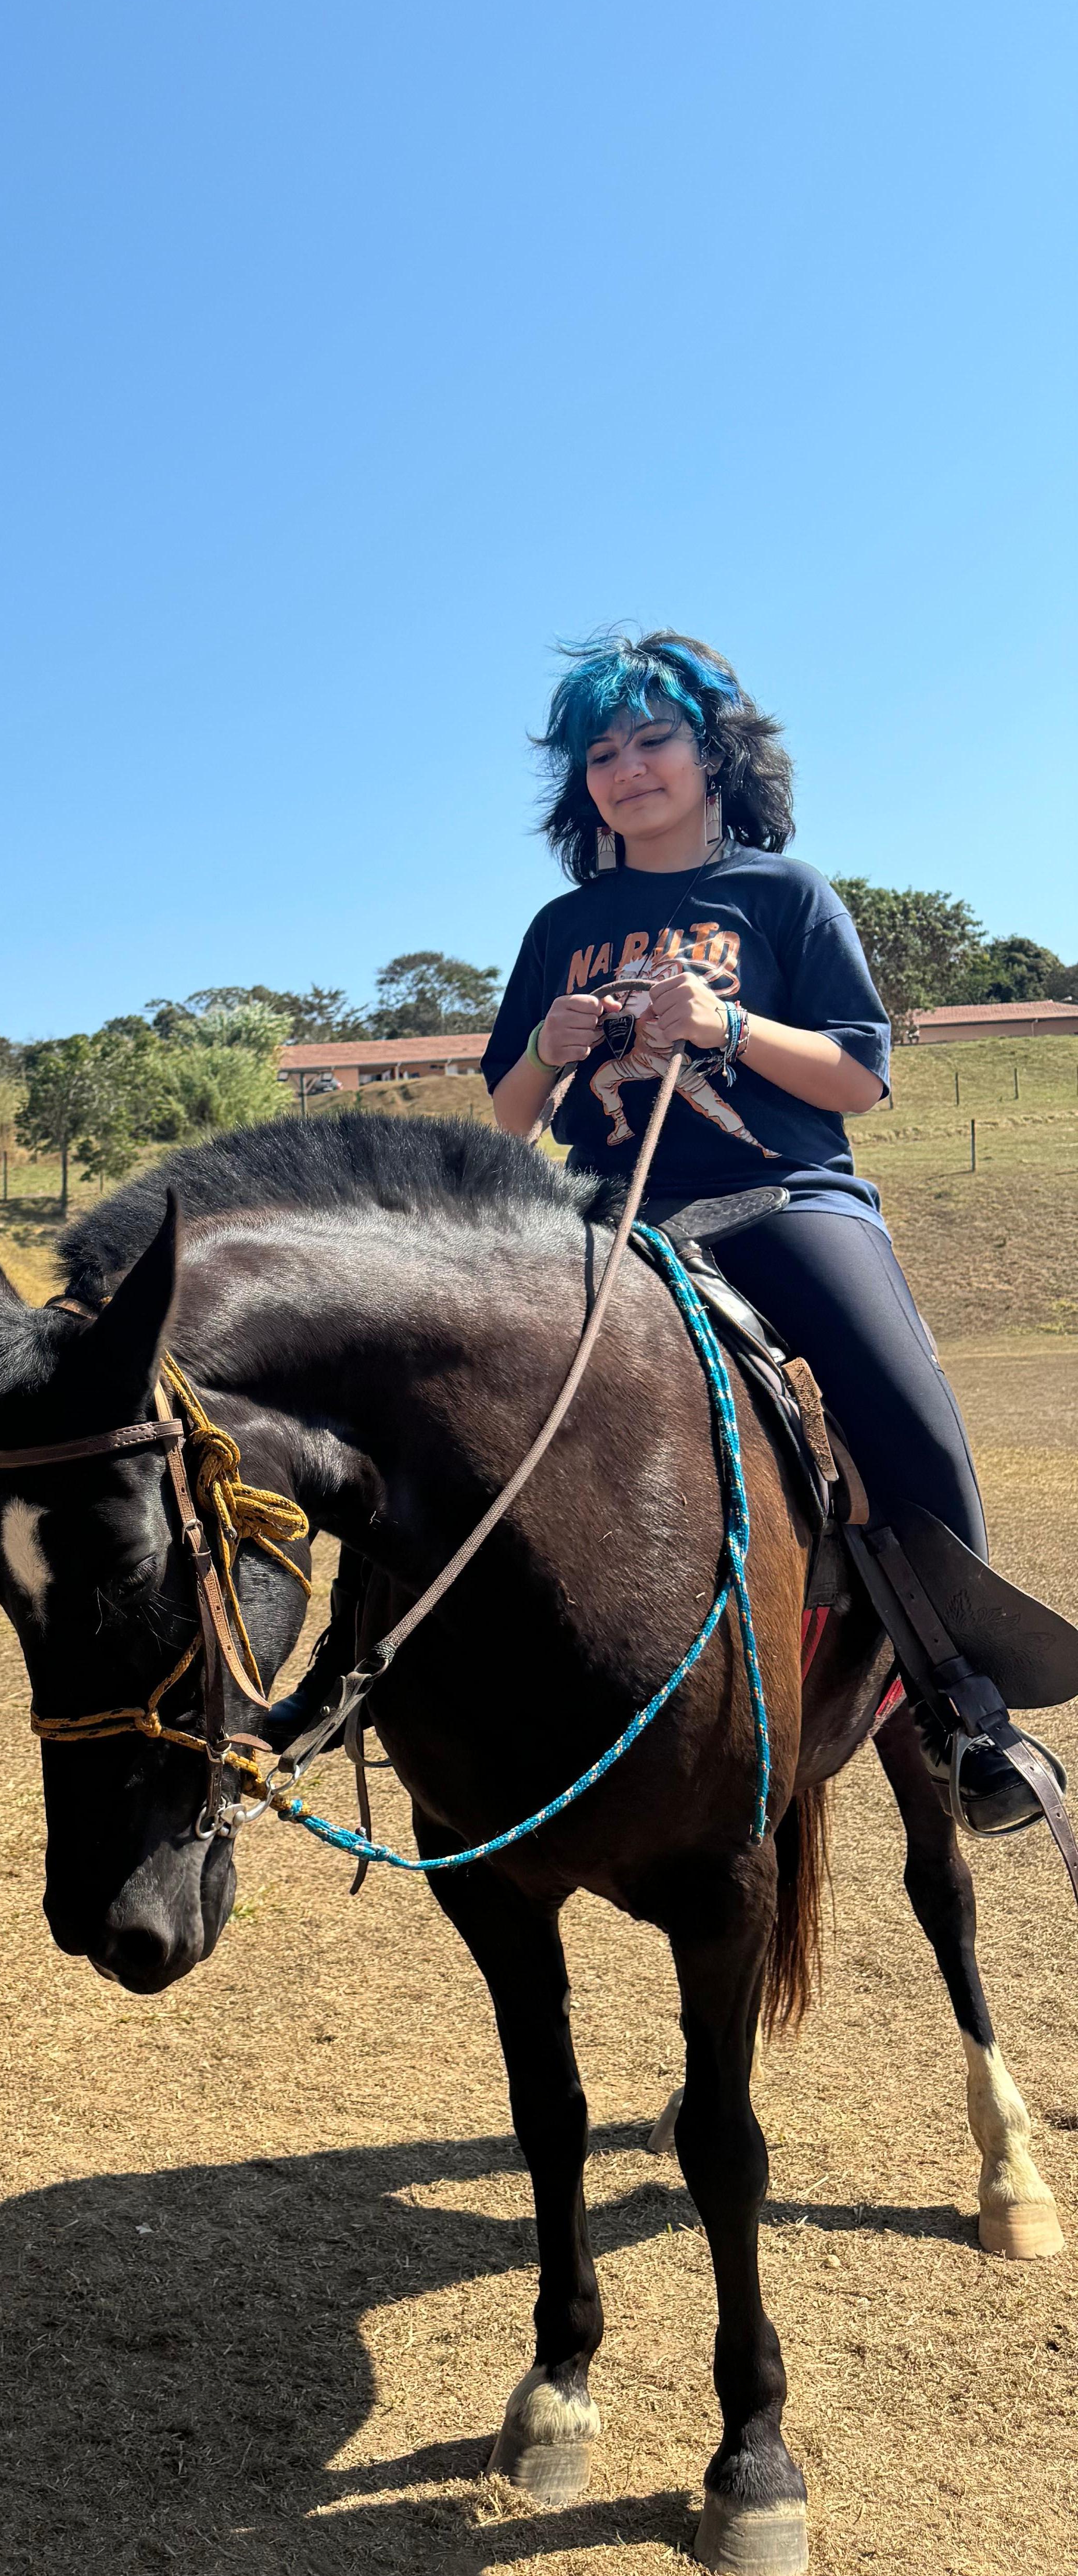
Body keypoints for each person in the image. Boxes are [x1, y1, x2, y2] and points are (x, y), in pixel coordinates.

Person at [472, 628, 1057, 1833]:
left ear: (711, 753)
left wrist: (727, 1029)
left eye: (653, 739)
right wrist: (548, 1045)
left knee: (904, 1406)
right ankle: (395, 1669)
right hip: (605, 1215)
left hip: (782, 1202)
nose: (628, 767)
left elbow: (857, 1079)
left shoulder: (784, 898)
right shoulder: (556, 930)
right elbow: (510, 1119)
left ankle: (968, 1711)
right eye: (602, 751)